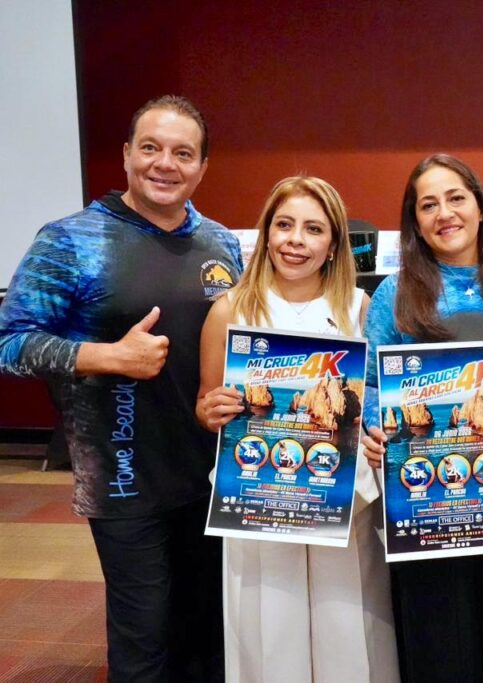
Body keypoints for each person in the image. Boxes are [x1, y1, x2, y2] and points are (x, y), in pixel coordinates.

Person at [0, 95, 239, 681]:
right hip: (123, 478)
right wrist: (107, 356)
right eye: (151, 148)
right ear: (128, 154)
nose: (165, 164)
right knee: (144, 640)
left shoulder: (222, 244)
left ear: (202, 167)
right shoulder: (71, 239)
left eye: (183, 153)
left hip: (214, 474)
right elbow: (9, 344)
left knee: (207, 632)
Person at [195, 176, 400, 683]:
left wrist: (377, 428)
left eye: (313, 229)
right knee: (269, 622)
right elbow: (204, 403)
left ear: (333, 243)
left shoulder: (360, 308)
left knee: (347, 620)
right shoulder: (230, 309)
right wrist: (212, 409)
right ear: (266, 234)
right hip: (259, 490)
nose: (296, 240)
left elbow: (379, 398)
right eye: (284, 225)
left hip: (343, 494)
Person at [360, 154, 483, 681]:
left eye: (455, 198)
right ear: (415, 223)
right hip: (424, 494)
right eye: (428, 205)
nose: (444, 213)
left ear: (480, 207)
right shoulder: (394, 292)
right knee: (440, 638)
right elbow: (370, 382)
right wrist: (374, 427)